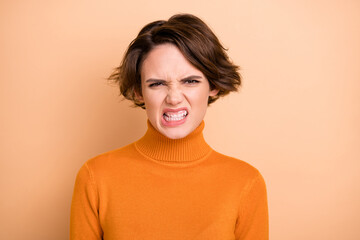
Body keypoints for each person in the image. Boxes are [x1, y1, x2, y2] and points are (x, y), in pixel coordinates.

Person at [70, 13, 268, 240]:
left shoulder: (246, 183)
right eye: (157, 84)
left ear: (213, 85)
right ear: (139, 92)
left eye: (190, 81)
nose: (174, 98)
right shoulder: (96, 178)